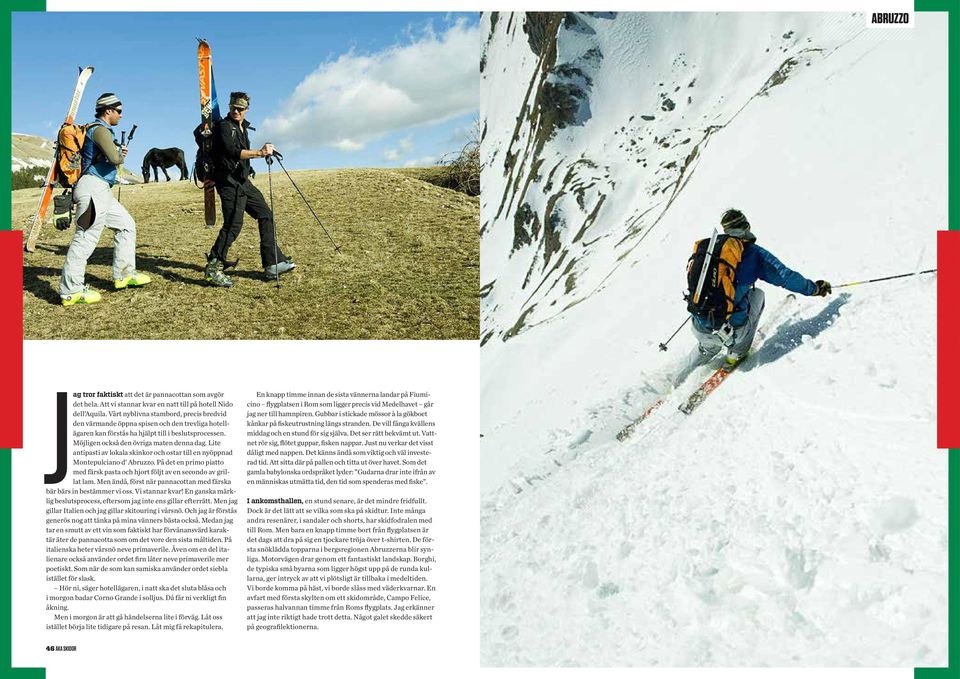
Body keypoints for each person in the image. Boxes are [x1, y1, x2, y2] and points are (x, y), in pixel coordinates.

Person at [690, 208, 831, 365]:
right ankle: (736, 353)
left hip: (699, 325)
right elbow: (786, 276)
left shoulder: (710, 250)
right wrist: (815, 289)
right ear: (746, 226)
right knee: (758, 295)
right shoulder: (753, 254)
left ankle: (687, 369)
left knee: (708, 342)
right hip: (732, 332)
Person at [59, 93, 151, 306]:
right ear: (108, 110)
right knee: (85, 237)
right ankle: (71, 291)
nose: (121, 115)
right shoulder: (99, 130)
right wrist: (121, 155)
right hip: (92, 189)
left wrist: (117, 154)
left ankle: (125, 274)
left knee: (126, 225)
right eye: (119, 111)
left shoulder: (101, 131)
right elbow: (114, 158)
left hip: (101, 190)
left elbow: (109, 158)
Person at [204, 91, 295, 287]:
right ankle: (212, 268)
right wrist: (260, 153)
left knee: (265, 215)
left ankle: (272, 263)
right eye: (233, 107)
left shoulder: (243, 128)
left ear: (246, 109)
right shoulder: (224, 127)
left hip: (243, 182)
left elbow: (239, 155)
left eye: (240, 108)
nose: (236, 111)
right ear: (229, 107)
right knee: (233, 226)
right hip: (229, 184)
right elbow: (231, 152)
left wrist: (253, 162)